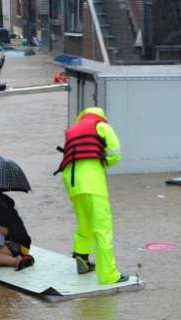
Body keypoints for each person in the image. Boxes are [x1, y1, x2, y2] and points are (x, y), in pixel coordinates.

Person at [54, 107, 129, 284]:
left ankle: (82, 259)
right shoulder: (101, 126)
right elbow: (115, 153)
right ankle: (109, 275)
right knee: (103, 228)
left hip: (71, 180)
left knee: (84, 222)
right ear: (101, 117)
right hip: (92, 180)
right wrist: (104, 163)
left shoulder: (73, 129)